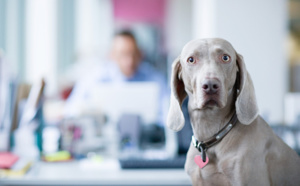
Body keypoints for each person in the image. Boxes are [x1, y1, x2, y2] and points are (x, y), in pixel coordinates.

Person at [65, 30, 169, 126]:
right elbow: (71, 109)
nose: (129, 61)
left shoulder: (154, 78)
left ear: (139, 54)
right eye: (123, 54)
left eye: (133, 54)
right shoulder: (95, 78)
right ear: (111, 55)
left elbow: (168, 114)